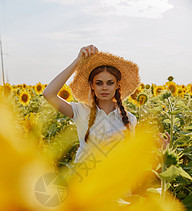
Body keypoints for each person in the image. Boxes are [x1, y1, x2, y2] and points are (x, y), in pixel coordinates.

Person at [43, 45, 140, 178]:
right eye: (99, 83)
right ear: (92, 86)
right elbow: (49, 94)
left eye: (110, 83)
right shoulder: (81, 111)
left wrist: (159, 150)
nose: (104, 88)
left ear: (118, 85)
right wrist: (77, 61)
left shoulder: (129, 119)